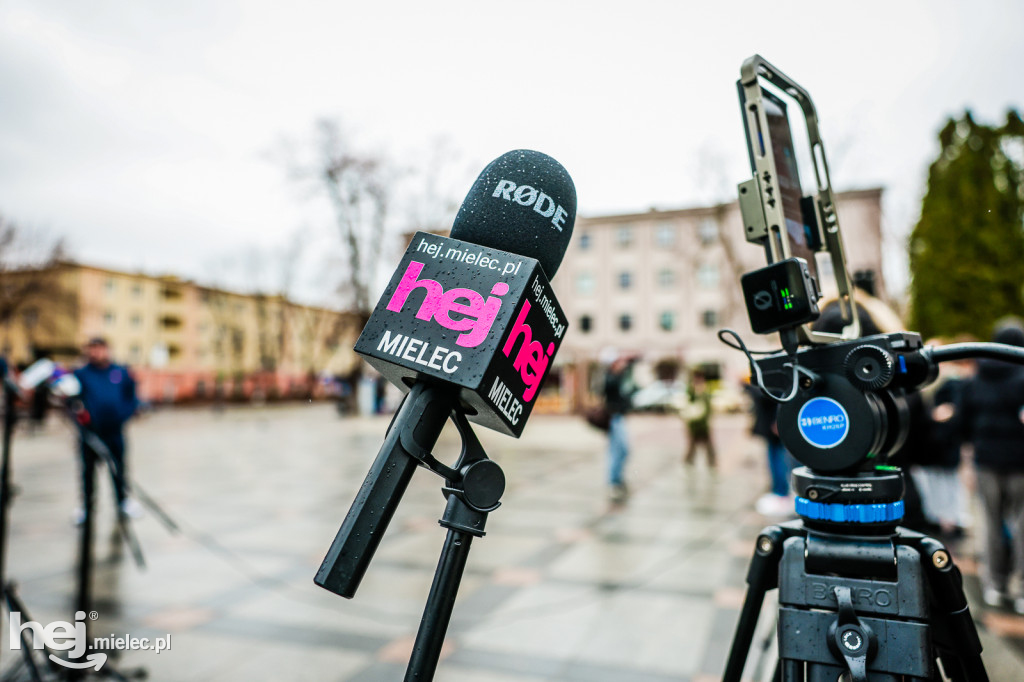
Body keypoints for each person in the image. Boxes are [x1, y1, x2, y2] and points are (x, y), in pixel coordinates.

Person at [959, 320, 1024, 613]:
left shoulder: (977, 377)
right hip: (1020, 460)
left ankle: (995, 585)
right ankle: (1021, 588)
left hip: (987, 460)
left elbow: (963, 419)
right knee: (1021, 524)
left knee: (992, 523)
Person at [73, 337, 141, 521]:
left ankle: (123, 502)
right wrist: (81, 416)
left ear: (107, 350)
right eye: (92, 349)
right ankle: (87, 507)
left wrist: (123, 415)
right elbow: (71, 400)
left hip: (114, 432)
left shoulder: (120, 372)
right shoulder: (81, 374)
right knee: (88, 471)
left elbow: (132, 397)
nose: (96, 353)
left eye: (99, 348)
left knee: (118, 468)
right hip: (89, 433)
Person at [747, 380, 794, 516]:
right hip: (770, 424)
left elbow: (774, 395)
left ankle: (781, 493)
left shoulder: (773, 378)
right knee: (774, 458)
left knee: (778, 459)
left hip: (773, 425)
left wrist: (777, 420)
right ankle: (779, 492)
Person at [603, 354, 635, 503]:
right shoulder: (610, 379)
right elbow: (609, 388)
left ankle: (617, 480)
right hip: (614, 418)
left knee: (621, 450)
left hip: (619, 417)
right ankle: (614, 482)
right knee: (619, 450)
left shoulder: (619, 378)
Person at [682, 370, 716, 469]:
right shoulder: (690, 389)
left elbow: (708, 407)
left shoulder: (706, 390)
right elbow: (686, 403)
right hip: (693, 424)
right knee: (691, 446)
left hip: (704, 424)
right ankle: (688, 465)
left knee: (709, 447)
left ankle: (712, 465)